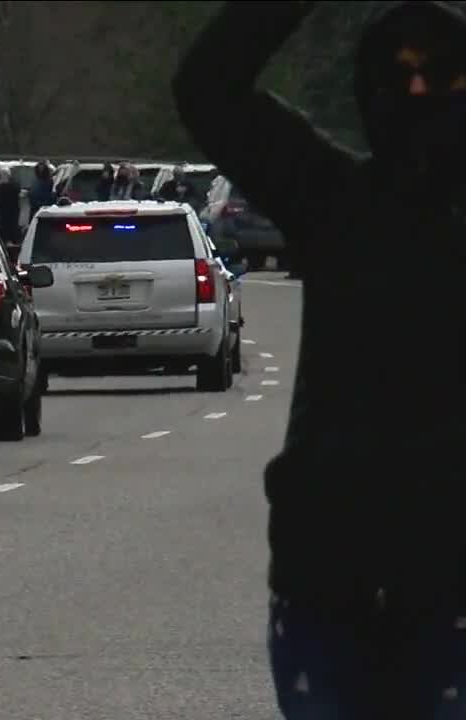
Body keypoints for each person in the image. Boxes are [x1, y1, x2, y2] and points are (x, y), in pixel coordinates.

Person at [174, 2, 466, 718]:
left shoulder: (332, 199)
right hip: (335, 573)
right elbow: (208, 87)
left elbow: (210, 87)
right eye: (403, 80)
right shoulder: (336, 199)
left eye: (444, 81)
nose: (420, 98)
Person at [0, 167, 22, 251]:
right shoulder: (13, 186)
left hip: (4, 214)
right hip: (9, 214)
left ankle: (7, 243)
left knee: (5, 231)